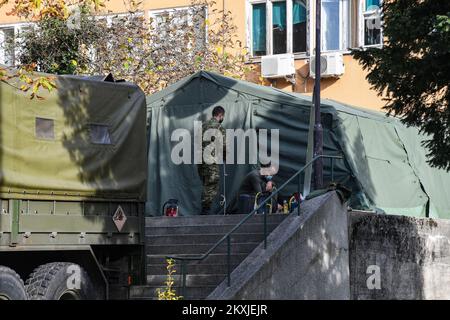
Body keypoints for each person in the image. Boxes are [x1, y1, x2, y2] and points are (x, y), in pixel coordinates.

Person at [198, 106, 226, 215]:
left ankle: (205, 209)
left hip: (200, 160)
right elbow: (224, 146)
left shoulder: (203, 125)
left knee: (206, 183)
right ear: (220, 115)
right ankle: (205, 210)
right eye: (223, 116)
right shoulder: (219, 127)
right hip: (210, 160)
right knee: (212, 184)